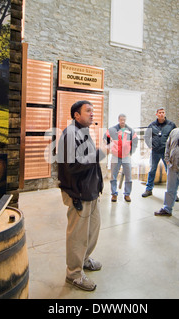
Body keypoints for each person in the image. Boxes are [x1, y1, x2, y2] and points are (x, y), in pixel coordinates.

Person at [57, 100, 106, 291]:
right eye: (88, 111)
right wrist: (101, 153)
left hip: (91, 191)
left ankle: (84, 260)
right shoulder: (70, 134)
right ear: (76, 115)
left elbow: (90, 162)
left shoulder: (84, 132)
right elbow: (73, 165)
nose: (92, 114)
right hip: (78, 193)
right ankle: (74, 274)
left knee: (92, 230)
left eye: (92, 111)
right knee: (78, 235)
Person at [142, 107, 176, 197]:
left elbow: (176, 137)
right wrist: (150, 146)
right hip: (155, 152)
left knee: (169, 172)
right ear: (156, 114)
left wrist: (172, 148)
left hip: (166, 153)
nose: (161, 114)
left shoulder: (171, 125)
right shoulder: (152, 125)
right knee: (152, 170)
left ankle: (172, 192)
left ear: (165, 114)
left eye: (163, 112)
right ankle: (148, 189)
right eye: (159, 112)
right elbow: (146, 136)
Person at [104, 114, 138, 202]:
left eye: (124, 120)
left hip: (126, 156)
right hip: (115, 156)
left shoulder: (130, 130)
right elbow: (105, 137)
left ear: (125, 120)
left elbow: (135, 141)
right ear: (118, 120)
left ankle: (127, 194)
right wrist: (108, 147)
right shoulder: (113, 130)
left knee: (128, 177)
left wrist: (131, 152)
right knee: (113, 176)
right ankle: (114, 194)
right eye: (121, 119)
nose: (122, 121)